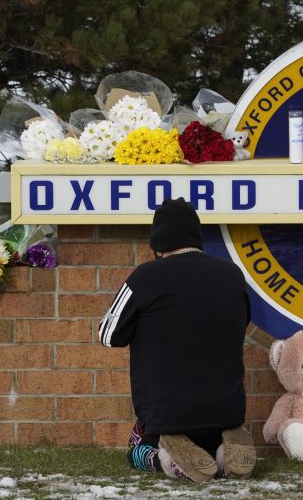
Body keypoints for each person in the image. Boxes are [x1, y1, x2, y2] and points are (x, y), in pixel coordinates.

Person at [98, 197, 255, 483]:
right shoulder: (232, 275)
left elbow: (108, 335)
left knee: (136, 449)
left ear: (157, 244)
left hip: (167, 413)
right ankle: (223, 453)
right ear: (197, 237)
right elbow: (241, 323)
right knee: (211, 442)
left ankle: (165, 458)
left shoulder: (145, 277)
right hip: (227, 410)